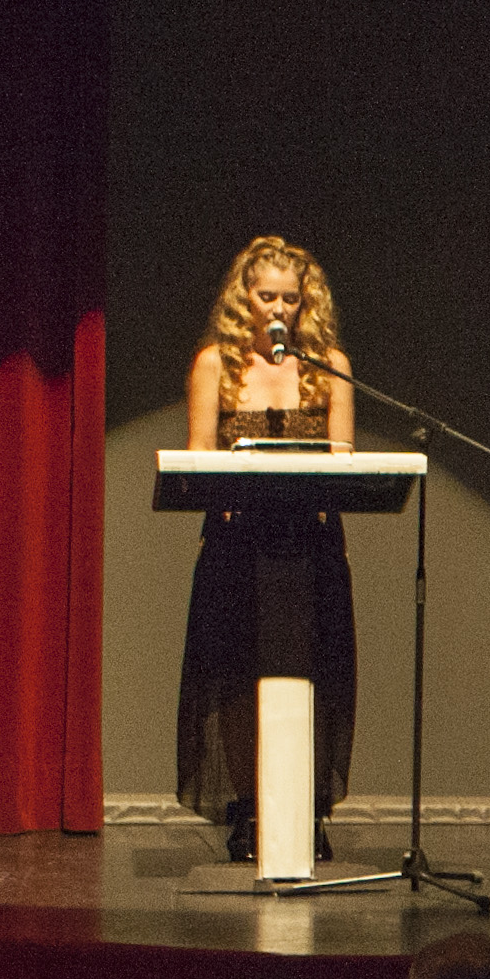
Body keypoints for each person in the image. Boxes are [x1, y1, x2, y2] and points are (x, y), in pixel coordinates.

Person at [173, 235, 361, 862]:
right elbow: (198, 458)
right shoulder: (216, 365)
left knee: (313, 671)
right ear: (244, 299)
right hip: (237, 542)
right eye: (266, 296)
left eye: (290, 298)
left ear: (306, 302)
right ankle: (252, 810)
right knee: (236, 676)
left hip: (309, 543)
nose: (279, 308)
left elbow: (344, 461)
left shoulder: (327, 365)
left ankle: (305, 810)